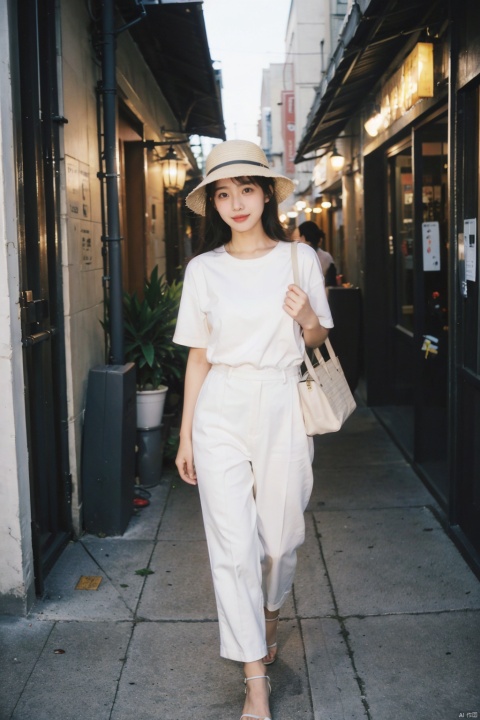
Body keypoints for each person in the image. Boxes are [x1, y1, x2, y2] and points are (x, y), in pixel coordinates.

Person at [173, 140, 333, 720]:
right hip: (221, 408)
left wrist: (307, 318)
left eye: (246, 189)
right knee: (233, 547)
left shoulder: (300, 260)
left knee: (281, 538)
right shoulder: (203, 270)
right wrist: (187, 434)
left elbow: (316, 340)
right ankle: (254, 678)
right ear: (213, 203)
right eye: (222, 193)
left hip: (281, 400)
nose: (235, 203)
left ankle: (270, 608)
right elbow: (198, 358)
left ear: (266, 193)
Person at [292, 220, 337, 286]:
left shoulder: (302, 257)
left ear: (304, 238)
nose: (295, 243)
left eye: (298, 239)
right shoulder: (327, 257)